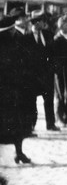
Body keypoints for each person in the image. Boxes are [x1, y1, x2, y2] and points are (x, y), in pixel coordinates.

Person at [0, 12, 36, 164]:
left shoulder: (18, 40)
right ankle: (17, 152)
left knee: (17, 123)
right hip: (7, 89)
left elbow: (26, 61)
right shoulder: (7, 41)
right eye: (12, 28)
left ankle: (19, 152)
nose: (14, 30)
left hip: (15, 89)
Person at [25, 10, 59, 132]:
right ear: (35, 22)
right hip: (32, 76)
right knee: (31, 101)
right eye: (40, 21)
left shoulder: (48, 34)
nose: (43, 23)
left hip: (47, 75)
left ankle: (50, 123)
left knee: (49, 99)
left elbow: (54, 53)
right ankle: (31, 125)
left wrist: (52, 68)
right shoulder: (26, 37)